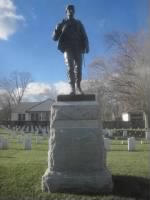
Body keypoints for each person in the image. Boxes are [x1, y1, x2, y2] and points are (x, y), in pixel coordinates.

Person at [52, 4, 89, 95]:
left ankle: (78, 86)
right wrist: (56, 30)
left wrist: (87, 46)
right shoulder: (62, 23)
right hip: (67, 47)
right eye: (69, 9)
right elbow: (54, 38)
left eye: (72, 9)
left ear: (74, 11)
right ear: (66, 11)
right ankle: (72, 88)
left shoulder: (78, 23)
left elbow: (84, 36)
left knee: (79, 69)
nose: (70, 10)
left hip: (77, 47)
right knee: (70, 68)